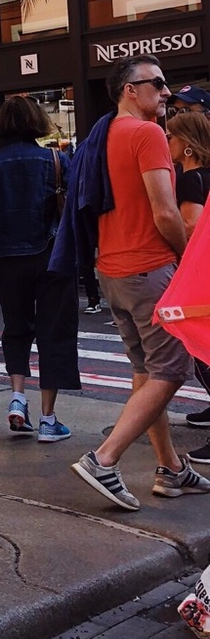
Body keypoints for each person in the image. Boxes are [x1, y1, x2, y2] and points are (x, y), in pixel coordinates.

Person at [51, 55, 210, 510]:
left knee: (146, 372)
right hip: (149, 269)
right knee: (171, 371)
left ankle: (171, 468)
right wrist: (187, 260)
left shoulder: (101, 137)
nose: (165, 93)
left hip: (113, 272)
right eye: (155, 84)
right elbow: (165, 212)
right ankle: (104, 459)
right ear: (129, 90)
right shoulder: (146, 134)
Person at [0, 96, 81, 442]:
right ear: (37, 122)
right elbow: (73, 209)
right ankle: (48, 418)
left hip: (5, 258)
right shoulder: (56, 159)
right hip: (51, 256)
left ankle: (18, 398)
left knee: (15, 329)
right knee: (54, 333)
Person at [164, 111, 210, 458]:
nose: (168, 143)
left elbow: (191, 228)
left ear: (188, 148)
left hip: (199, 276)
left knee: (201, 349)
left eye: (172, 137)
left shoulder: (191, 180)